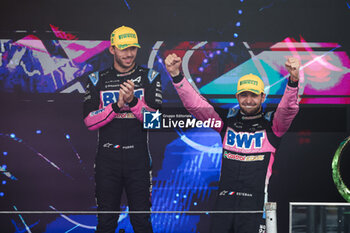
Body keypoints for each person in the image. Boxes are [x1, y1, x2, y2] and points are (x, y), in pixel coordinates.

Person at [165, 54, 299, 233]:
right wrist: (177, 76)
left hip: (256, 202)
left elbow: (288, 109)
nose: (248, 100)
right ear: (237, 97)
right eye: (244, 95)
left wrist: (293, 81)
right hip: (225, 201)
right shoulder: (226, 121)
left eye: (253, 95)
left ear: (262, 97)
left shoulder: (273, 125)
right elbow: (196, 106)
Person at [83, 26, 162, 233]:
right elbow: (89, 122)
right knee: (106, 223)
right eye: (123, 48)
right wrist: (117, 106)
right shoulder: (96, 79)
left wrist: (133, 101)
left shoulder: (151, 77)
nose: (129, 53)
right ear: (112, 50)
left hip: (138, 159)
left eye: (133, 48)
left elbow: (154, 121)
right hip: (107, 160)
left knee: (142, 222)